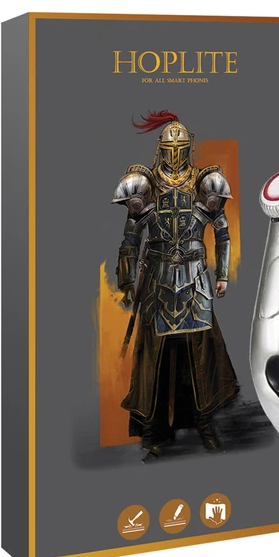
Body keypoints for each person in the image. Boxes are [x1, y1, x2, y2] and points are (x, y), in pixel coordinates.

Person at [112, 110, 239, 462]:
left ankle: (204, 423)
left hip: (195, 278)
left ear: (190, 147)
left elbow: (222, 232)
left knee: (200, 354)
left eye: (181, 148)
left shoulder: (206, 181)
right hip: (157, 279)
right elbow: (130, 237)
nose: (175, 155)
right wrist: (127, 280)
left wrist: (222, 275)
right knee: (156, 357)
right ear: (161, 149)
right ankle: (155, 432)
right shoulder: (144, 182)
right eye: (170, 149)